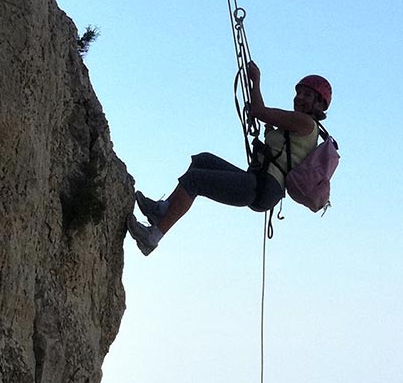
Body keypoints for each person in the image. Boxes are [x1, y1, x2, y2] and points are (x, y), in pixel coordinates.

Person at [126, 61, 332, 255]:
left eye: (307, 95)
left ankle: (153, 237)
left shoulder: (304, 122)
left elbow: (259, 111)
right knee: (203, 160)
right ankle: (162, 211)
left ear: (319, 105)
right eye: (300, 93)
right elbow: (272, 134)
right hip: (260, 183)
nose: (300, 98)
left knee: (195, 180)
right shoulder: (298, 128)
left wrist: (256, 80)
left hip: (264, 186)